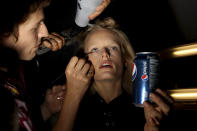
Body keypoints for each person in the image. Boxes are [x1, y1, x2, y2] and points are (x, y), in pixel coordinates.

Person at [0, 0, 111, 130]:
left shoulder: (11, 71)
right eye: (35, 27)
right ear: (4, 33)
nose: (45, 33)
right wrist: (73, 95)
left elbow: (24, 122)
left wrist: (46, 109)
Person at [53, 17, 174, 131]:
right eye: (95, 49)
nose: (105, 54)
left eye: (113, 48)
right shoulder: (72, 112)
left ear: (125, 60)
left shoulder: (146, 110)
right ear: (84, 61)